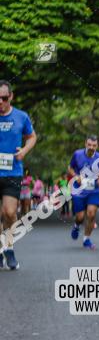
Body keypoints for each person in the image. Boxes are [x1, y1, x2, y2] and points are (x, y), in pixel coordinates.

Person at [0, 80, 38, 270]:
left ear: (11, 97)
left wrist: (24, 151)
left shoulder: (21, 117)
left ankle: (9, 247)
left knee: (9, 212)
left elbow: (32, 137)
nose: (0, 101)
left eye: (4, 98)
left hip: (12, 172)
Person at [69, 135, 99, 250]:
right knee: (80, 216)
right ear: (85, 144)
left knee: (91, 213)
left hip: (93, 190)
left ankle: (86, 239)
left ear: (97, 146)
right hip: (79, 189)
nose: (91, 147)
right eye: (89, 145)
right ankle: (76, 225)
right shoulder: (77, 154)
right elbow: (70, 168)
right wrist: (76, 176)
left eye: (94, 145)